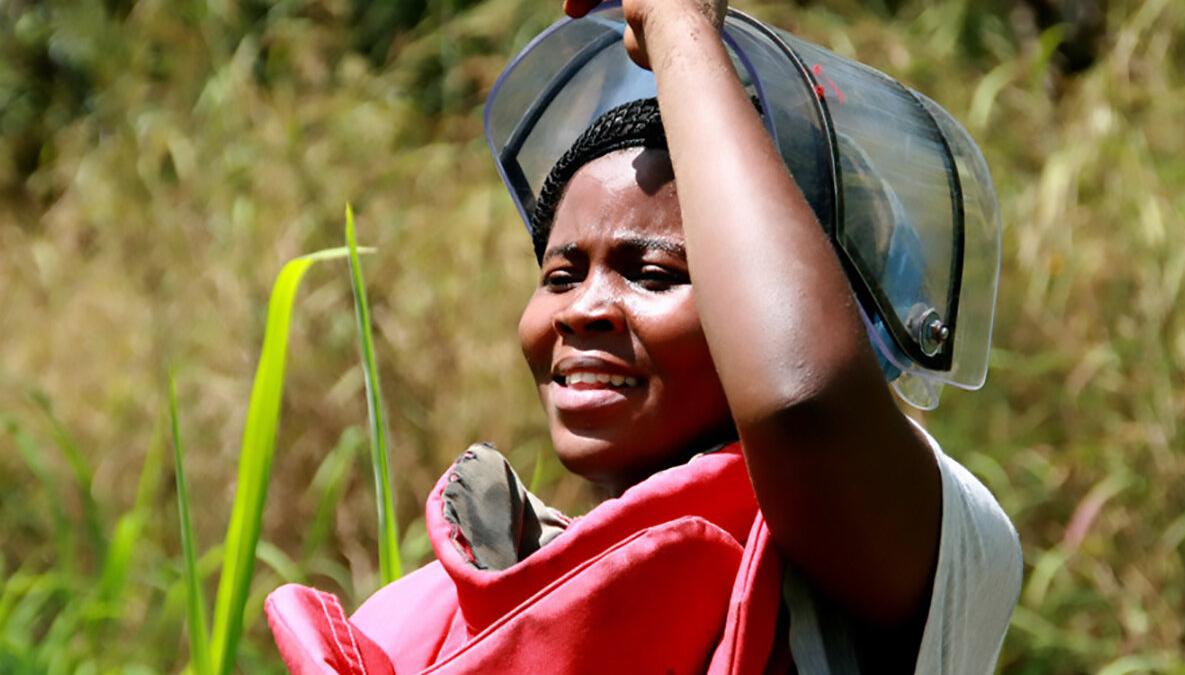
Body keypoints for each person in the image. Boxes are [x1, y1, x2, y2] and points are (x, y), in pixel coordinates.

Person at [264, 0, 1022, 672]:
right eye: (560, 275)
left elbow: (802, 400)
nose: (582, 309)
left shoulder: (939, 540)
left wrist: (678, 25)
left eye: (655, 274)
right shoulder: (458, 606)